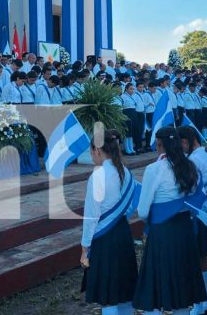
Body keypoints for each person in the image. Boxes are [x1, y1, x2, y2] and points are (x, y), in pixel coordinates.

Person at [133, 127, 207, 314]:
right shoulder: (190, 166)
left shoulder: (154, 169)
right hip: (184, 230)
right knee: (181, 292)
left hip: (162, 233)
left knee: (155, 288)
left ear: (160, 145)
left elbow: (142, 211)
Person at [80, 130, 139, 315]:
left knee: (108, 295)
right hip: (122, 232)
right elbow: (130, 205)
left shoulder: (97, 176)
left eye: (91, 152)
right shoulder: (126, 172)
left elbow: (91, 216)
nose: (91, 157)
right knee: (124, 290)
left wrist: (84, 247)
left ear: (98, 150)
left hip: (104, 238)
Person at [178, 126, 207, 315]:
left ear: (186, 141)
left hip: (195, 213)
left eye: (181, 143)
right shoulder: (205, 156)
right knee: (202, 260)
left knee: (196, 261)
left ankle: (201, 305)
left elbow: (189, 189)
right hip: (205, 210)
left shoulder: (192, 160)